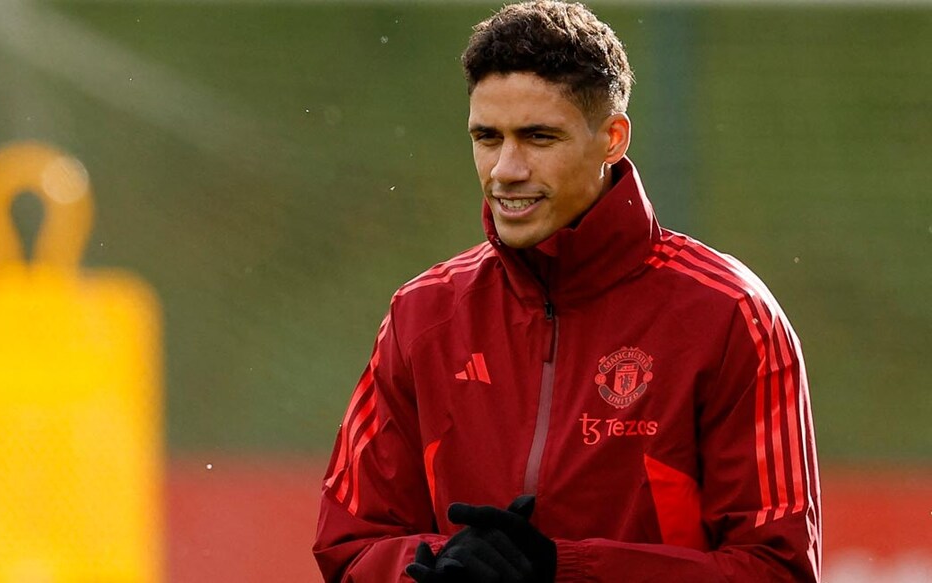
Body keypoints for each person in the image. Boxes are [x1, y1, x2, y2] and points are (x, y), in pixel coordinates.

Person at [313, 1, 821, 581]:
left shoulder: (730, 315)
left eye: (538, 137)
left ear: (611, 138)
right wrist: (434, 566)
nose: (505, 168)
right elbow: (349, 546)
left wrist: (565, 571)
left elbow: (777, 568)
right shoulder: (422, 314)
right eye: (487, 136)